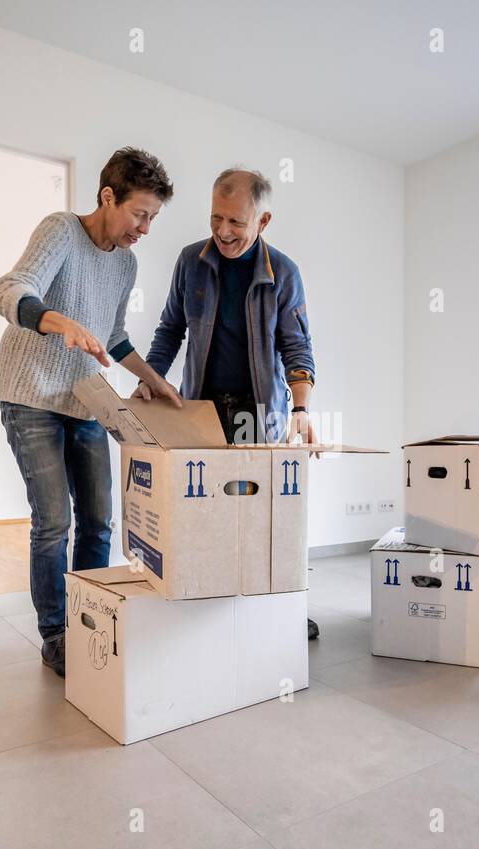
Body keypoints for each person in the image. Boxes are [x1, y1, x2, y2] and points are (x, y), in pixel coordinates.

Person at [0, 147, 181, 677]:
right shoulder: (60, 231)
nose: (144, 228)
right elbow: (10, 291)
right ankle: (56, 633)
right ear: (107, 197)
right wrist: (60, 322)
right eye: (139, 213)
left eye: (152, 218)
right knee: (54, 521)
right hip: (31, 394)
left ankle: (88, 615)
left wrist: (154, 381)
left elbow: (115, 335)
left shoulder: (126, 263)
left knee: (99, 520)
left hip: (86, 399)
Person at [134, 167, 322, 637]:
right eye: (216, 218)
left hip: (258, 412)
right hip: (201, 408)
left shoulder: (284, 272)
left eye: (236, 222)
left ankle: (278, 604)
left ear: (263, 221)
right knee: (203, 511)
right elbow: (169, 330)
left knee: (261, 515)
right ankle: (209, 603)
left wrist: (300, 410)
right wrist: (151, 382)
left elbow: (296, 347)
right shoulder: (190, 262)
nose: (222, 232)